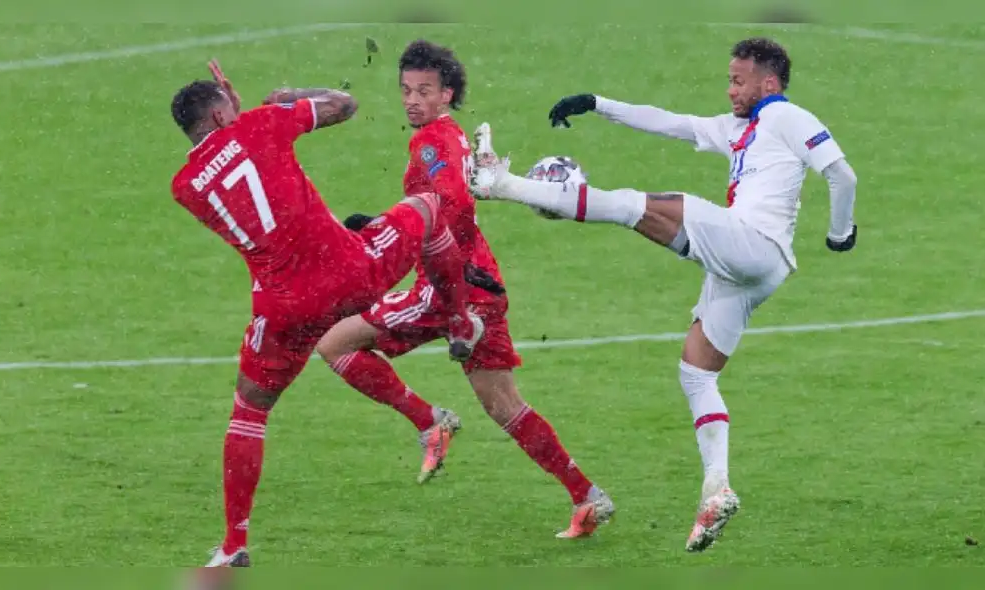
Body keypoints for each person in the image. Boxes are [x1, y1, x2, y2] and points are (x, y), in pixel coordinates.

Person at [468, 37, 858, 551]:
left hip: (754, 244)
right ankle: (716, 489)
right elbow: (668, 121)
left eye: (738, 80)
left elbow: (841, 173)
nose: (730, 89)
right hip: (751, 269)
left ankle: (504, 185)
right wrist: (598, 104)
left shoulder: (789, 117)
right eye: (729, 79)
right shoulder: (736, 128)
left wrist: (840, 233)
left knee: (636, 205)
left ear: (769, 82)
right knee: (697, 372)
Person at [169, 60, 482, 567]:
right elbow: (344, 105)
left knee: (249, 412)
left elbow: (235, 170)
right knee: (427, 207)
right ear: (225, 111)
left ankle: (233, 544)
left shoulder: (184, 187)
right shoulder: (262, 122)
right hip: (350, 273)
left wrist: (241, 120)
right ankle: (462, 323)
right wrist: (283, 96)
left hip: (285, 307)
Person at [315, 39, 615, 539]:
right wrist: (385, 224)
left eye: (424, 91)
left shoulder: (430, 141)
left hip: (448, 284)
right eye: (406, 90)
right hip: (484, 282)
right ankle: (587, 496)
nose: (412, 100)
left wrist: (417, 245)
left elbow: (451, 202)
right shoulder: (449, 137)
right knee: (504, 406)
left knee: (334, 343)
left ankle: (430, 420)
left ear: (447, 93)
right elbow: (443, 203)